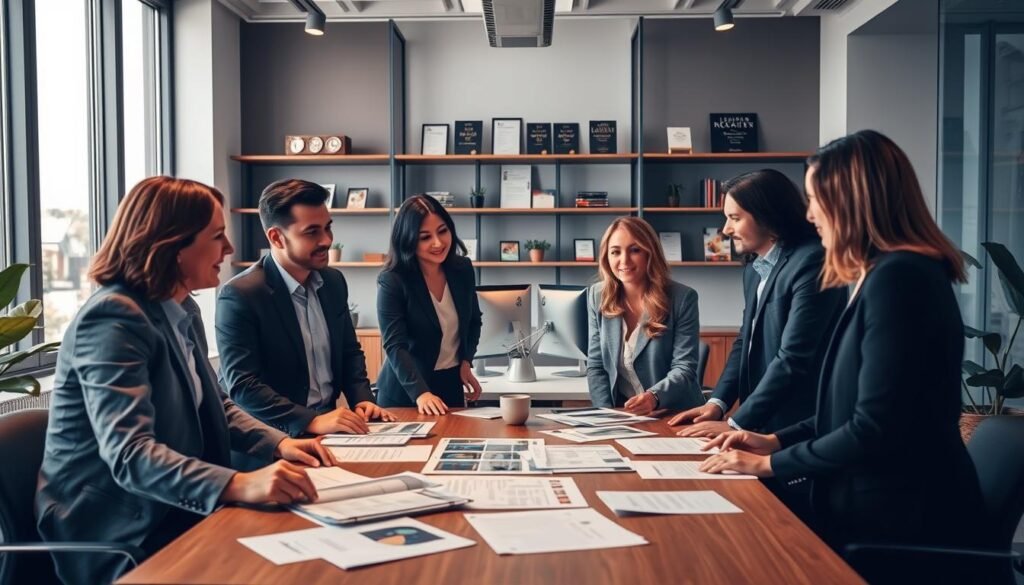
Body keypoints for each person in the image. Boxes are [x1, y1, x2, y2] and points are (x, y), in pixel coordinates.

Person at [699, 130, 985, 559]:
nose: (810, 216)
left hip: (900, 523)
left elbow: (874, 428)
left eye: (815, 200)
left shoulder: (901, 278)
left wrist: (770, 465)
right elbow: (847, 410)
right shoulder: (885, 273)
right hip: (877, 507)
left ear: (850, 201)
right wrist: (775, 440)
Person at [36, 177, 336, 585]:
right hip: (121, 526)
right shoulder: (112, 318)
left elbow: (217, 403)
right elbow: (130, 455)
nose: (229, 250)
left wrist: (279, 443)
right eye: (217, 237)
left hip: (176, 506)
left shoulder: (180, 308)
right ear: (173, 246)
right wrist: (239, 482)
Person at [217, 179, 394, 451]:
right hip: (273, 441)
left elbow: (349, 351)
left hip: (332, 433)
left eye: (328, 228)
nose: (327, 240)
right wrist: (311, 420)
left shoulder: (333, 282)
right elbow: (243, 386)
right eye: (312, 232)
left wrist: (362, 399)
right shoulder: (241, 295)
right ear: (276, 237)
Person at [671, 169, 846, 437]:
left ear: (768, 215)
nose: (726, 229)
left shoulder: (813, 263)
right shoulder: (754, 269)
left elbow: (793, 358)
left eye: (735, 218)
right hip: (760, 421)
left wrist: (735, 423)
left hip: (798, 426)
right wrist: (717, 403)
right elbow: (745, 340)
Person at [375, 195, 483, 414]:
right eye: (425, 237)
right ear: (408, 240)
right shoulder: (392, 280)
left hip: (450, 386)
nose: (438, 242)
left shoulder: (461, 269)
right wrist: (421, 393)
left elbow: (473, 321)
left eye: (443, 231)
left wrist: (465, 361)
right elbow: (395, 346)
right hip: (405, 393)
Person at [587, 216, 704, 414]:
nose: (624, 260)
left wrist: (654, 397)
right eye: (615, 252)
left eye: (635, 250)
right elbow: (596, 366)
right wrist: (605, 415)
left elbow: (684, 368)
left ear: (650, 253)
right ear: (607, 256)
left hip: (675, 413)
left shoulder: (682, 298)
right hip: (625, 416)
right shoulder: (597, 296)